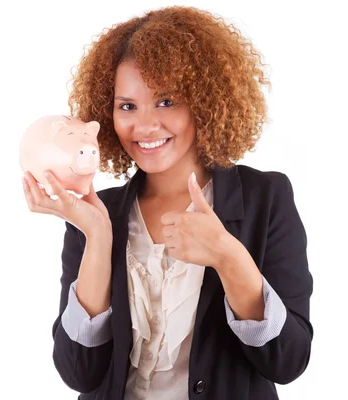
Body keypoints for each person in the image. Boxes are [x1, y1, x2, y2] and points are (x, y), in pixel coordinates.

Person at [21, 6, 313, 400]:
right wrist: (97, 236)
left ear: (204, 101)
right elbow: (79, 373)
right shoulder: (95, 213)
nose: (144, 126)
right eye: (127, 106)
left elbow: (288, 361)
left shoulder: (266, 198)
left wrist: (229, 257)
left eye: (166, 101)